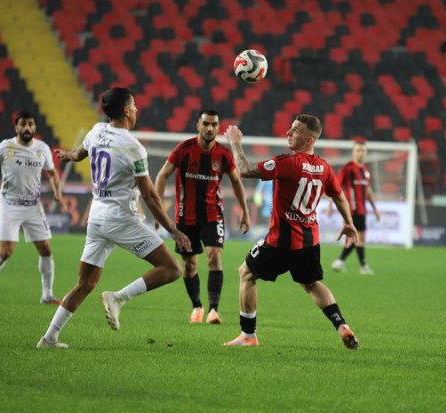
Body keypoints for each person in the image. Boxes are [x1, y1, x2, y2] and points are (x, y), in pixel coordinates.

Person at [37, 87, 191, 348]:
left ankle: (49, 337)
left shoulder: (96, 131)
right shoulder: (133, 147)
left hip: (96, 218)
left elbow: (78, 153)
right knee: (172, 269)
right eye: (135, 105)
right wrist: (173, 230)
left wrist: (67, 155)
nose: (137, 110)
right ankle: (118, 298)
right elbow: (150, 196)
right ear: (127, 110)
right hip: (121, 219)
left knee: (85, 284)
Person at [221, 115, 360, 349]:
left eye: (294, 130)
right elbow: (339, 196)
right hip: (309, 241)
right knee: (311, 284)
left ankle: (248, 336)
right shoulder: (323, 167)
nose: (288, 133)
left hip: (281, 241)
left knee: (246, 272)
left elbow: (244, 170)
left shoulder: (288, 162)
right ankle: (341, 325)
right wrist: (348, 222)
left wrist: (235, 142)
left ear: (308, 140)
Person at [154, 110, 250, 325]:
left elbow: (236, 181)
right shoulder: (184, 149)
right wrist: (158, 209)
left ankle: (214, 310)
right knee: (189, 265)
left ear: (218, 128)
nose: (209, 129)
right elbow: (161, 175)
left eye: (214, 125)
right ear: (198, 125)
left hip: (212, 214)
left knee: (214, 256)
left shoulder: (224, 155)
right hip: (185, 216)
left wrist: (245, 211)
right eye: (205, 124)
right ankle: (197, 305)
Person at [0, 110, 64, 304]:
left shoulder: (42, 148)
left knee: (46, 250)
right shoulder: (6, 147)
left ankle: (47, 294)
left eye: (31, 124)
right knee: (6, 252)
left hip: (33, 207)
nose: (27, 127)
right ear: (16, 127)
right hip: (10, 205)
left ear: (35, 127)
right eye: (23, 124)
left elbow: (52, 173)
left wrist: (57, 192)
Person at [329, 142, 381, 275]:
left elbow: (368, 191)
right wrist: (330, 205)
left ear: (366, 153)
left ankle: (342, 262)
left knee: (357, 239)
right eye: (358, 150)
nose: (361, 153)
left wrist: (374, 209)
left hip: (362, 210)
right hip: (351, 209)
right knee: (359, 239)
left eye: (363, 150)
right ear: (353, 152)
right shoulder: (347, 168)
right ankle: (359, 265)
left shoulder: (365, 170)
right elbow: (336, 187)